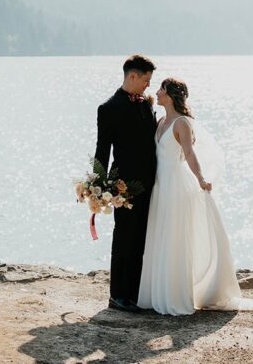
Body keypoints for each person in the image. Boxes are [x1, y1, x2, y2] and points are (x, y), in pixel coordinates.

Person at [137, 77, 253, 314]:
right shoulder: (161, 121)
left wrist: (201, 179)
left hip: (176, 185)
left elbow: (189, 153)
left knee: (175, 236)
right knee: (161, 235)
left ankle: (177, 294)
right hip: (160, 185)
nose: (156, 92)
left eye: (161, 90)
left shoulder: (182, 123)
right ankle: (159, 291)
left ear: (171, 95)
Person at [95, 54, 158, 312]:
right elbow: (102, 149)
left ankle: (134, 294)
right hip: (124, 187)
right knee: (124, 238)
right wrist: (100, 186)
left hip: (151, 184)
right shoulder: (108, 108)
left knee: (141, 239)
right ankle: (117, 295)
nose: (148, 86)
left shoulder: (146, 105)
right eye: (146, 80)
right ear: (133, 76)